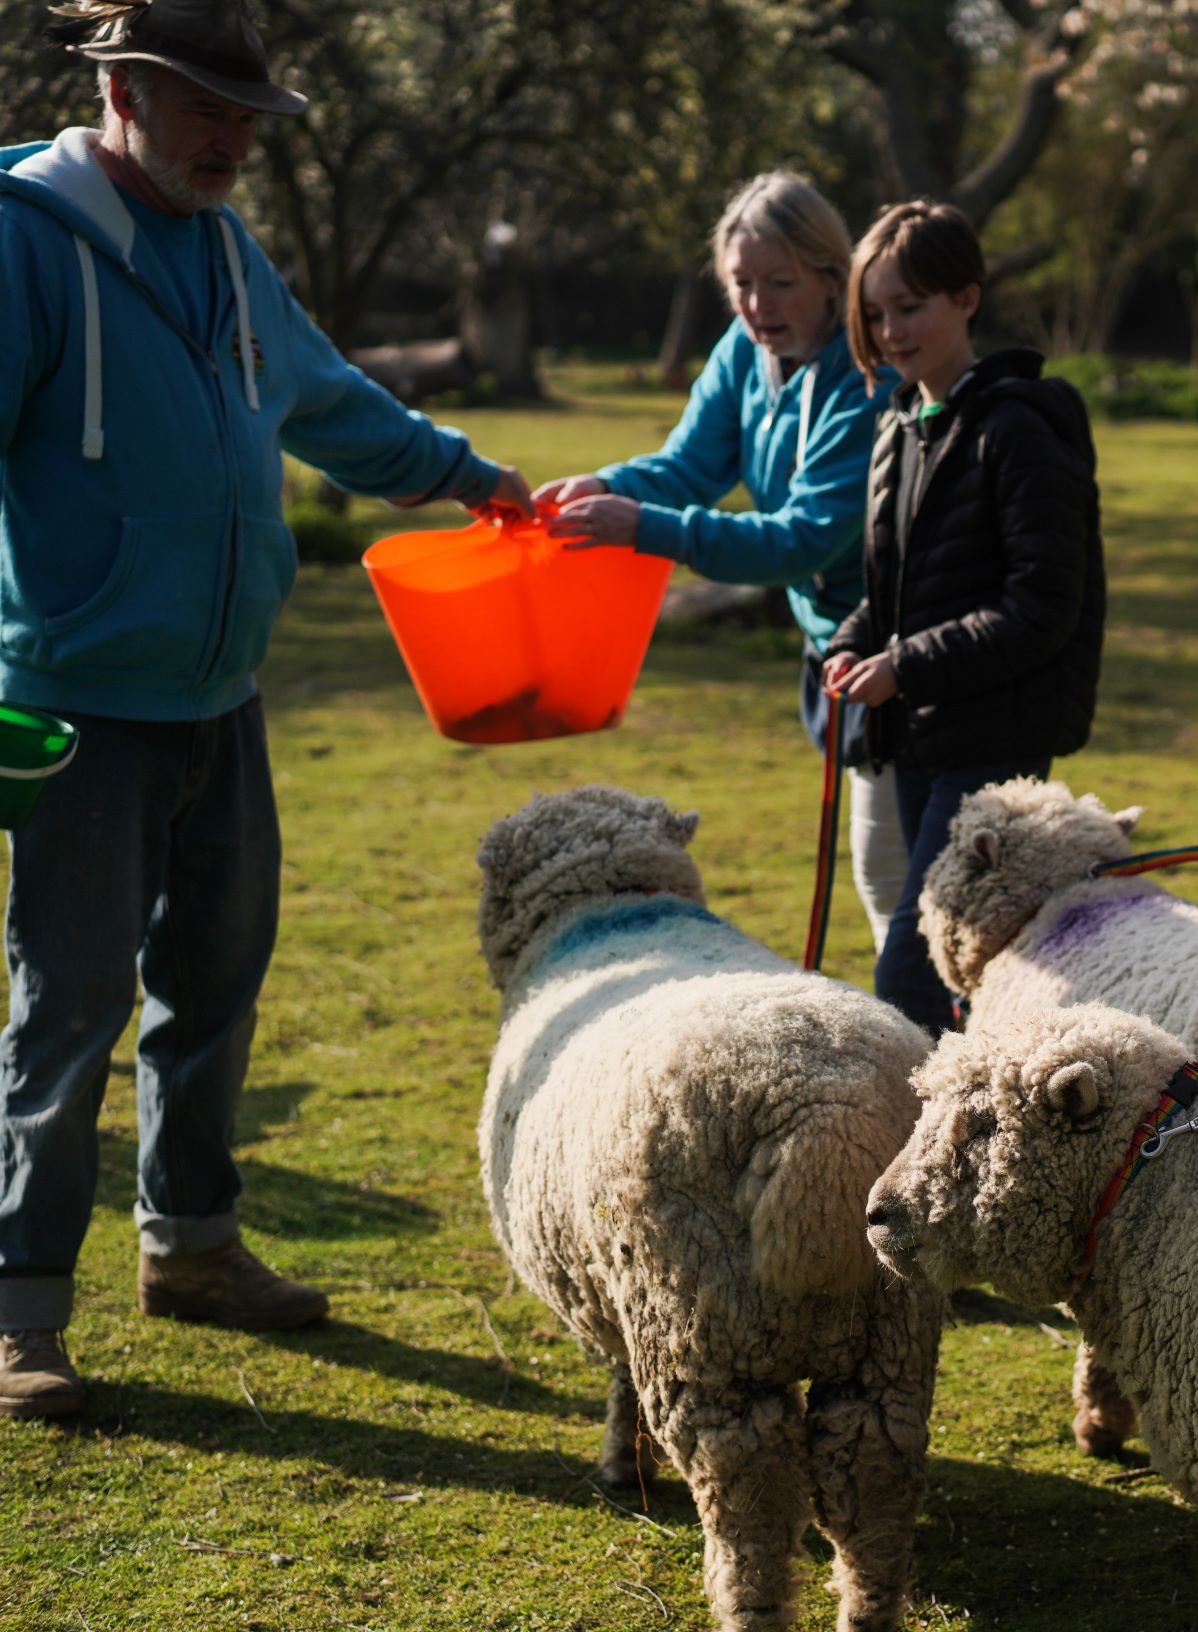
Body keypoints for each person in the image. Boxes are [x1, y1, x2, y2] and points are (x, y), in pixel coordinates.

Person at [0, 0, 531, 1420]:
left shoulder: (228, 249)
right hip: (78, 707)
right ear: (120, 90)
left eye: (246, 115)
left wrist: (473, 478)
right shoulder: (23, 240)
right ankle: (21, 1316)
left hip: (224, 699)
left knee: (218, 988)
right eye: (201, 107)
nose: (232, 138)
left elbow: (332, 403)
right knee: (69, 1010)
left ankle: (191, 1249)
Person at [535, 171, 909, 945]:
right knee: (886, 879)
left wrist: (646, 528)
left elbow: (802, 537)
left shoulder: (862, 379)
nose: (756, 305)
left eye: (780, 283)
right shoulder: (746, 349)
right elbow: (690, 465)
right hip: (834, 647)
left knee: (897, 884)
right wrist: (607, 484)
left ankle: (952, 1046)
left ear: (831, 276)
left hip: (905, 654)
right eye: (741, 283)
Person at [821, 200, 1104, 1034]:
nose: (890, 331)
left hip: (994, 737)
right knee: (956, 975)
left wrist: (904, 665)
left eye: (909, 306)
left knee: (911, 970)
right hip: (919, 735)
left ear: (967, 299)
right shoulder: (899, 424)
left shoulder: (1018, 429)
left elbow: (1041, 607)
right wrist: (852, 643)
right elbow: (901, 591)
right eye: (874, 314)